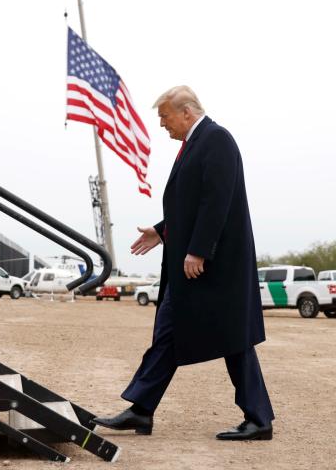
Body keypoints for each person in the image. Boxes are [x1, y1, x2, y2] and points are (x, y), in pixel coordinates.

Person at [92, 86, 274, 440]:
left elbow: (217, 200)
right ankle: (141, 410)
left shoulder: (217, 139)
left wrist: (199, 250)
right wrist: (162, 232)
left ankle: (258, 419)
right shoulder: (196, 143)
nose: (162, 125)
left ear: (186, 112)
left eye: (165, 117)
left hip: (212, 268)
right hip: (192, 265)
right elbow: (191, 205)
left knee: (233, 338)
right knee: (169, 334)